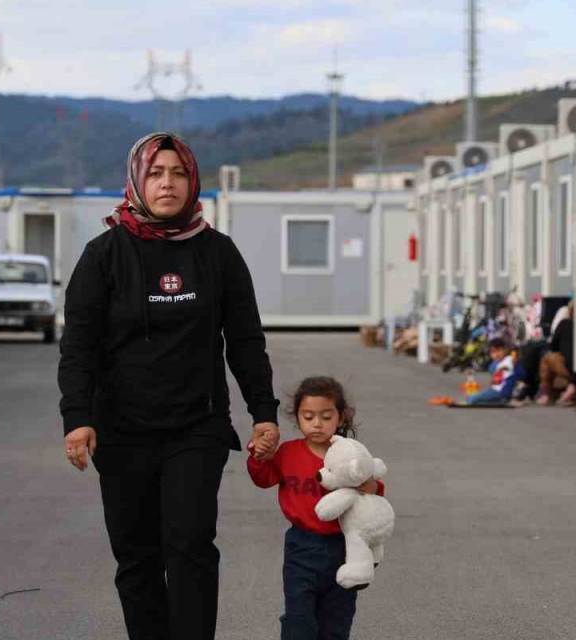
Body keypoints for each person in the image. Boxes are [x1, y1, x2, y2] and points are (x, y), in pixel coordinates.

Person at [58, 132, 282, 640]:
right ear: (138, 179)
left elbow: (245, 341)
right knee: (136, 556)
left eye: (178, 173)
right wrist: (78, 419)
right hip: (121, 431)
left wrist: (263, 412)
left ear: (193, 181)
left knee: (190, 546)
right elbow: (79, 348)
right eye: (157, 173)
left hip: (195, 429)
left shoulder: (218, 253)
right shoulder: (104, 255)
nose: (167, 183)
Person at [246, 376, 383, 640]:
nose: (317, 424)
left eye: (325, 416)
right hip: (301, 547)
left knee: (336, 621)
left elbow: (373, 489)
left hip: (343, 547)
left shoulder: (351, 454)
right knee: (299, 617)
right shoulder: (288, 452)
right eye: (308, 416)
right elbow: (263, 479)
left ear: (341, 418)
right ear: (297, 418)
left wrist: (373, 487)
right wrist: (259, 455)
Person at [537, 301, 576, 406]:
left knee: (547, 359)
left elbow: (553, 346)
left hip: (569, 368)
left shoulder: (564, 324)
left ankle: (547, 395)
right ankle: (572, 386)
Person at [467, 337, 523, 406]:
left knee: (472, 399)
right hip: (494, 390)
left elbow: (520, 374)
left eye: (499, 350)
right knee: (470, 398)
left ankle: (503, 401)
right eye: (493, 352)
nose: (496, 354)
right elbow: (495, 379)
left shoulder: (510, 360)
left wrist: (515, 365)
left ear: (505, 350)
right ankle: (501, 401)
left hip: (502, 392)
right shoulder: (493, 365)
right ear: (490, 354)